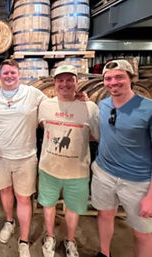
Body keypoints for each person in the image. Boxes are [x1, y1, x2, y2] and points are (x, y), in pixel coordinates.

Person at [0, 59, 47, 257]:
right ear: (0, 75)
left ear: (19, 74)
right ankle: (9, 221)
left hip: (25, 156)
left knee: (23, 197)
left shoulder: (33, 94)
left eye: (13, 73)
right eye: (5, 73)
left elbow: (55, 103)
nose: (9, 76)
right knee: (5, 191)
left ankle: (24, 239)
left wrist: (79, 99)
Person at [91, 60, 152, 257]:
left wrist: (151, 197)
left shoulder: (148, 109)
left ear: (131, 79)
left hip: (137, 181)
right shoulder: (103, 104)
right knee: (105, 215)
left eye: (119, 77)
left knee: (143, 233)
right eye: (108, 79)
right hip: (104, 173)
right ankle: (104, 253)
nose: (113, 82)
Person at [38, 65, 99, 257]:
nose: (64, 84)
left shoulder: (89, 107)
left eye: (69, 79)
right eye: (60, 80)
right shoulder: (46, 105)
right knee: (48, 206)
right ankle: (50, 237)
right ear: (54, 83)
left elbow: (95, 135)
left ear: (76, 81)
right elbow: (43, 127)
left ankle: (70, 241)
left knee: (73, 209)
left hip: (78, 171)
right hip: (49, 167)